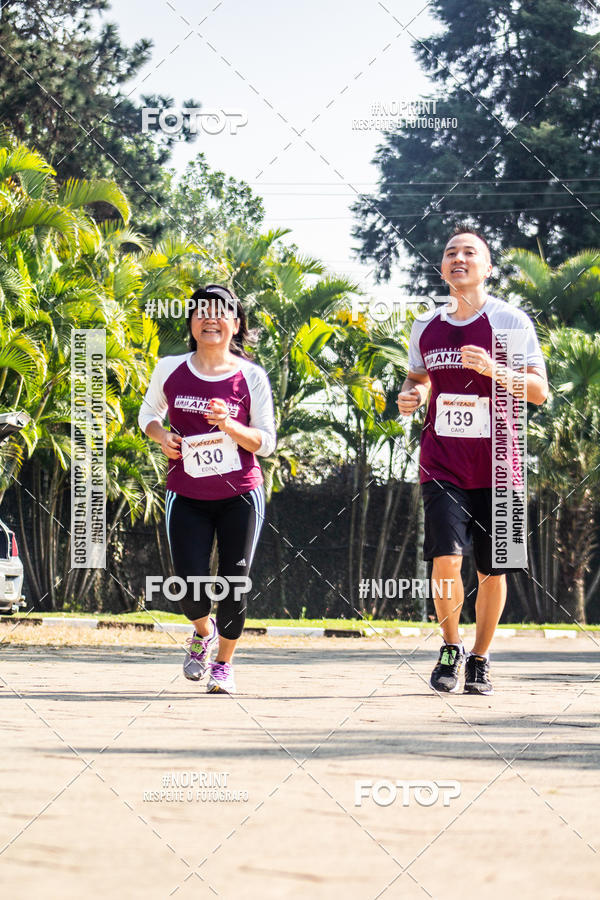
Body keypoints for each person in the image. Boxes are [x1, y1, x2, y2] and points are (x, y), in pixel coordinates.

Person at [397, 227, 548, 695]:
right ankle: (450, 646)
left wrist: (494, 370)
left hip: (501, 464)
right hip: (442, 460)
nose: (457, 258)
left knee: (492, 569)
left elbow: (539, 393)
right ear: (442, 268)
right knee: (445, 558)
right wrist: (411, 395)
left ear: (487, 268)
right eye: (449, 253)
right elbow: (419, 378)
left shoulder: (510, 321)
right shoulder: (427, 326)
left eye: (469, 253)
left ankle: (480, 658)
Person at [138, 284, 276, 694]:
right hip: (187, 495)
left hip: (241, 496)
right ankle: (203, 630)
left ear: (236, 324)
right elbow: (148, 414)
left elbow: (266, 442)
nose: (210, 318)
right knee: (188, 586)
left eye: (221, 312)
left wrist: (230, 425)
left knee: (234, 583)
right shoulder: (170, 368)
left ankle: (223, 664)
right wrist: (161, 436)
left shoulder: (252, 376)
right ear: (192, 322)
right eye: (201, 311)